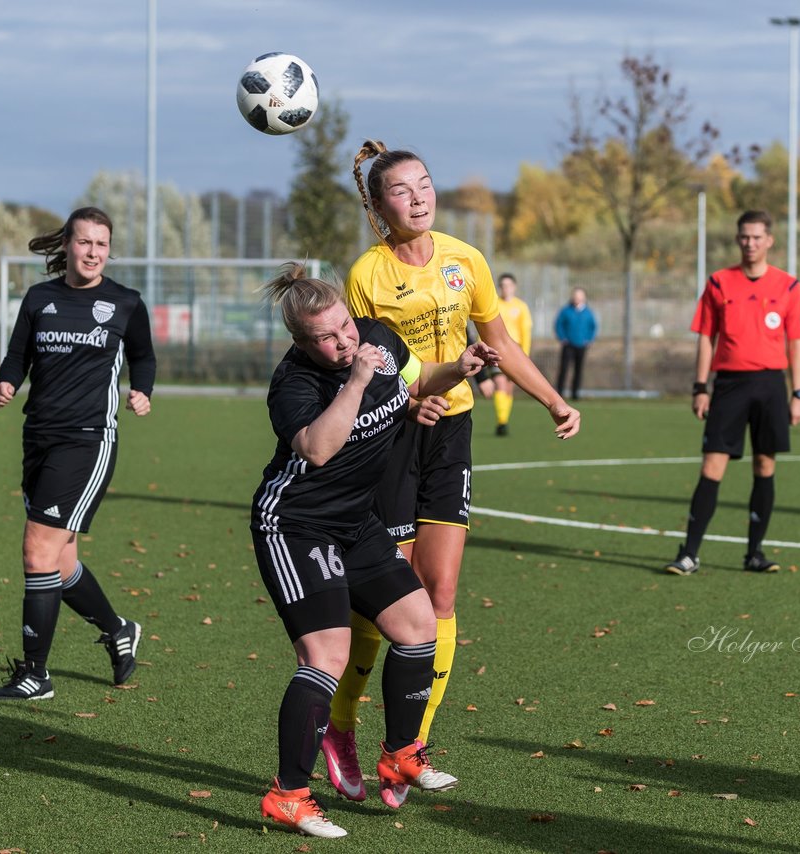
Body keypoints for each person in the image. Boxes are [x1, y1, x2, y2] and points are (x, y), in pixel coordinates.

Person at [321, 140, 580, 809]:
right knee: (388, 599)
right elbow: (361, 369)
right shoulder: (366, 275)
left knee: (441, 595)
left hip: (453, 434)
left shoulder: (467, 260)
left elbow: (501, 343)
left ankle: (406, 751)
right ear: (380, 207)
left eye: (425, 184)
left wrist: (552, 399)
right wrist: (408, 399)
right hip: (391, 437)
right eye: (403, 190)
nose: (419, 196)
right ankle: (340, 724)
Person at [253, 264, 495, 837]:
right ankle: (288, 793)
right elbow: (317, 447)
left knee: (418, 625)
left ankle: (401, 753)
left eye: (344, 327)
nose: (344, 342)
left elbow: (414, 381)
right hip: (296, 526)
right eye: (327, 338)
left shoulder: (377, 336)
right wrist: (357, 380)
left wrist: (454, 371)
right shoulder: (295, 383)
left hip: (356, 523)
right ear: (300, 343)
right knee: (327, 657)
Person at [0, 206, 155, 700]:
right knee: (59, 564)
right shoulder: (40, 298)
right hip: (37, 435)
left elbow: (143, 356)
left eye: (102, 244)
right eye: (85, 242)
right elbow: (18, 354)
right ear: (67, 245)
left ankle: (35, 674)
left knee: (37, 550)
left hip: (88, 440)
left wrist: (142, 390)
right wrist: (6, 381)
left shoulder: (125, 302)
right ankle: (118, 628)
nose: (93, 253)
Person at [665, 210, 800, 576]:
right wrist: (701, 387)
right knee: (712, 466)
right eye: (745, 237)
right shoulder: (718, 283)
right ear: (737, 239)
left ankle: (754, 553)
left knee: (765, 465)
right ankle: (690, 553)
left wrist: (799, 393)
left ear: (770, 240)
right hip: (729, 385)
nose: (750, 244)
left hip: (771, 385)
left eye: (757, 237)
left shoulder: (789, 287)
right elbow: (704, 338)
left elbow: (797, 345)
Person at [490, 272, 533, 435]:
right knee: (500, 384)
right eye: (502, 285)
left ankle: (504, 419)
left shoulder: (521, 306)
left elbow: (526, 331)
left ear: (514, 287)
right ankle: (501, 422)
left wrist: (525, 355)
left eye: (508, 285)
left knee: (509, 388)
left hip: (515, 353)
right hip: (497, 352)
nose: (505, 288)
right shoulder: (494, 304)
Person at [554, 287, 597, 400]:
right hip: (568, 345)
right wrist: (562, 338)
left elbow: (593, 327)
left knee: (578, 370)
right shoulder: (566, 310)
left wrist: (589, 339)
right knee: (564, 369)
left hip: (581, 345)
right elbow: (559, 324)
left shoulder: (588, 312)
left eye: (579, 296)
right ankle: (559, 394)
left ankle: (575, 394)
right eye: (575, 296)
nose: (577, 298)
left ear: (584, 298)